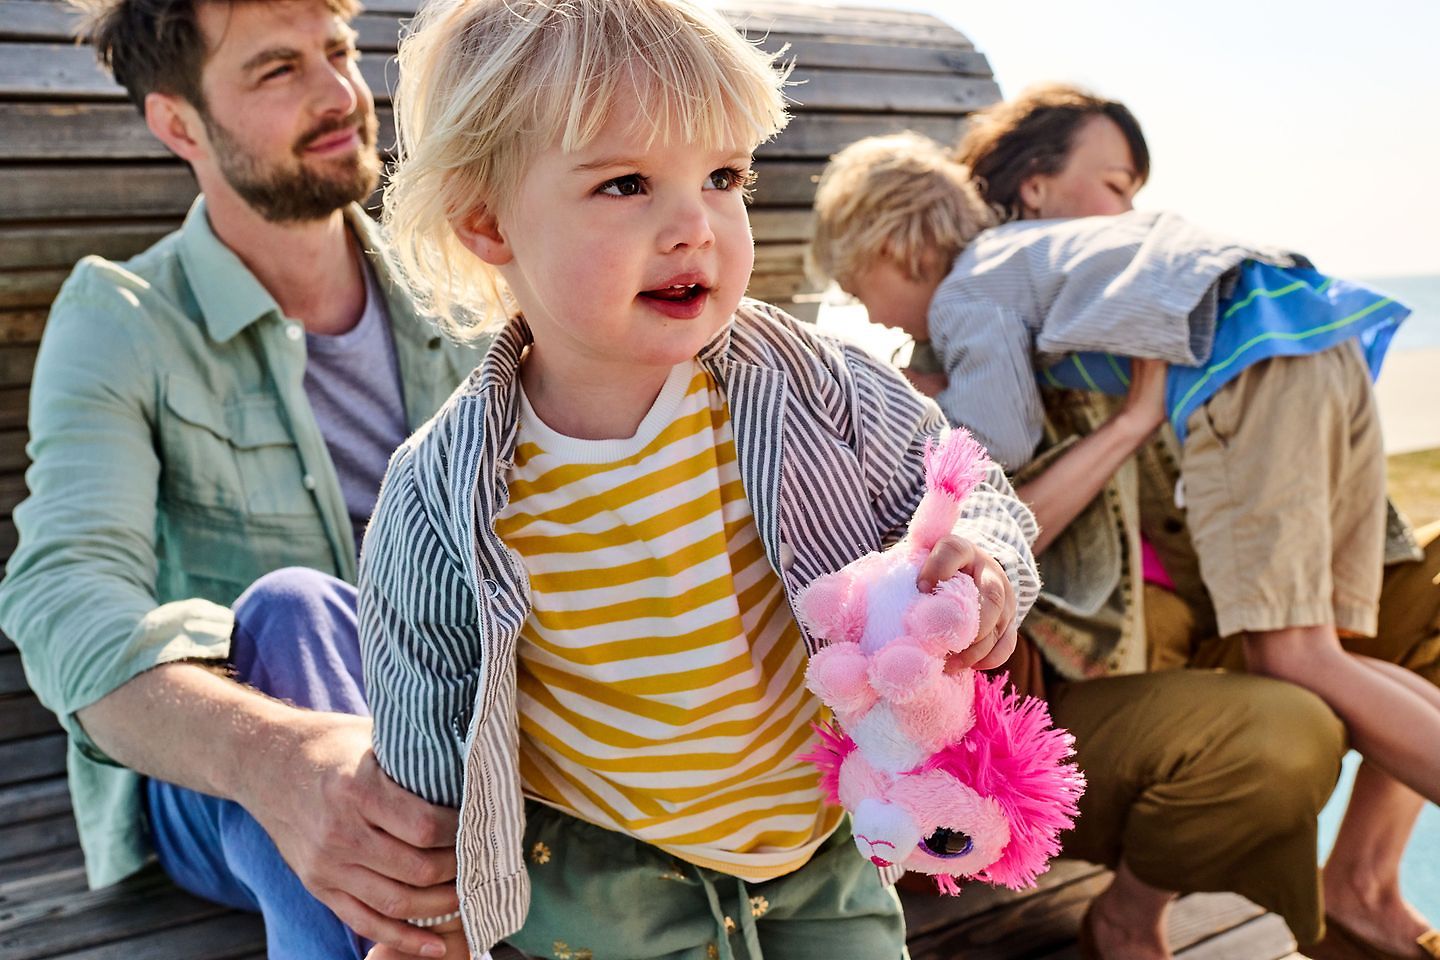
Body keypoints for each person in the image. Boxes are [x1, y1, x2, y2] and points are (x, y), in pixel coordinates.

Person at [350, 1, 1041, 957]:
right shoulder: (446, 490)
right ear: (486, 219)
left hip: (824, 848)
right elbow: (428, 715)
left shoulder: (811, 382)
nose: (696, 227)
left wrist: (986, 571)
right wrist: (430, 920)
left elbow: (973, 495)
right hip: (598, 883)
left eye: (723, 177)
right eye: (627, 183)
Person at [810, 87, 1440, 960]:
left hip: (1252, 359)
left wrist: (944, 411)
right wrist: (1125, 425)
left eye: (857, 291)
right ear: (1030, 188)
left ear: (889, 249)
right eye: (1115, 185)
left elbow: (999, 439)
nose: (870, 319)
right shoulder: (1057, 283)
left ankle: (1360, 883)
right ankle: (1294, 895)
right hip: (1316, 321)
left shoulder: (974, 294)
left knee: (1302, 653)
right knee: (1310, 662)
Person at [0, 0, 486, 956]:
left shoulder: (463, 284)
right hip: (225, 776)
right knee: (295, 613)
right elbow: (62, 589)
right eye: (277, 71)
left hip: (463, 730)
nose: (341, 93)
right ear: (178, 122)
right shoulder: (121, 317)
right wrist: (277, 757)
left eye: (340, 53)